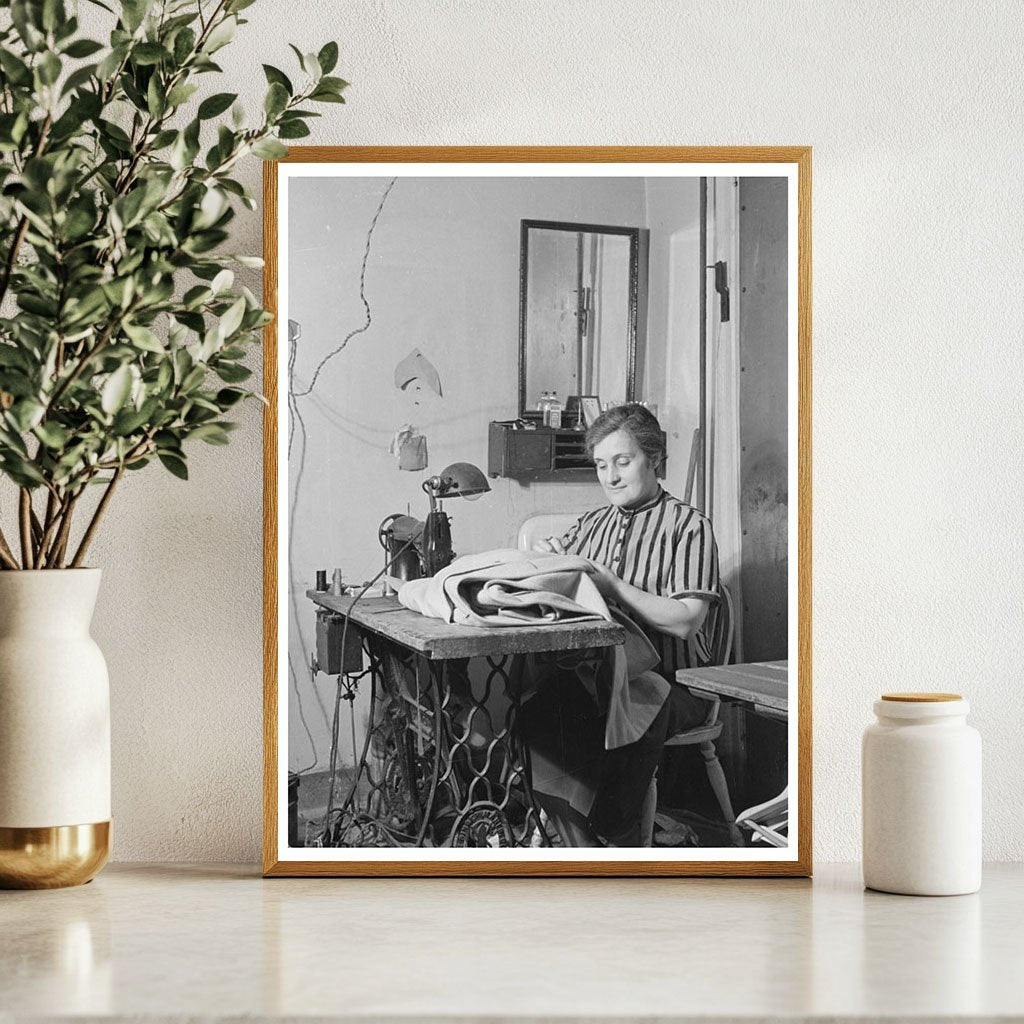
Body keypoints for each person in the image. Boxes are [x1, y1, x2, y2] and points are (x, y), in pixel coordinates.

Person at [521, 403, 721, 847]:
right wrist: (551, 560)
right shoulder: (591, 525)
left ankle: (610, 834)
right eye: (601, 465)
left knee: (625, 705)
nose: (610, 476)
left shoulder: (689, 526)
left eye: (623, 462)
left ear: (654, 459)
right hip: (605, 676)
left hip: (676, 682)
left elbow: (687, 621)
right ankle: (583, 840)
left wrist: (612, 585)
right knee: (542, 704)